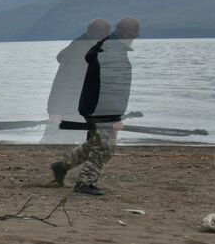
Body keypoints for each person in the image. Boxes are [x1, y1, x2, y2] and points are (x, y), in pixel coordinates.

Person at [50, 16, 140, 196]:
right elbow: (108, 85)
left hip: (97, 106)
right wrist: (112, 116)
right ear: (123, 32)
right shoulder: (111, 49)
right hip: (100, 108)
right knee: (105, 147)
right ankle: (84, 182)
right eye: (132, 34)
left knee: (95, 143)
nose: (134, 38)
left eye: (136, 35)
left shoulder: (111, 47)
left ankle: (61, 166)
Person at [41, 18, 110, 146]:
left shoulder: (89, 48)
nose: (108, 38)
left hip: (80, 107)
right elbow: (60, 83)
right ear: (96, 33)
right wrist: (54, 110)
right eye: (105, 33)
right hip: (68, 109)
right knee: (54, 144)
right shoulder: (78, 51)